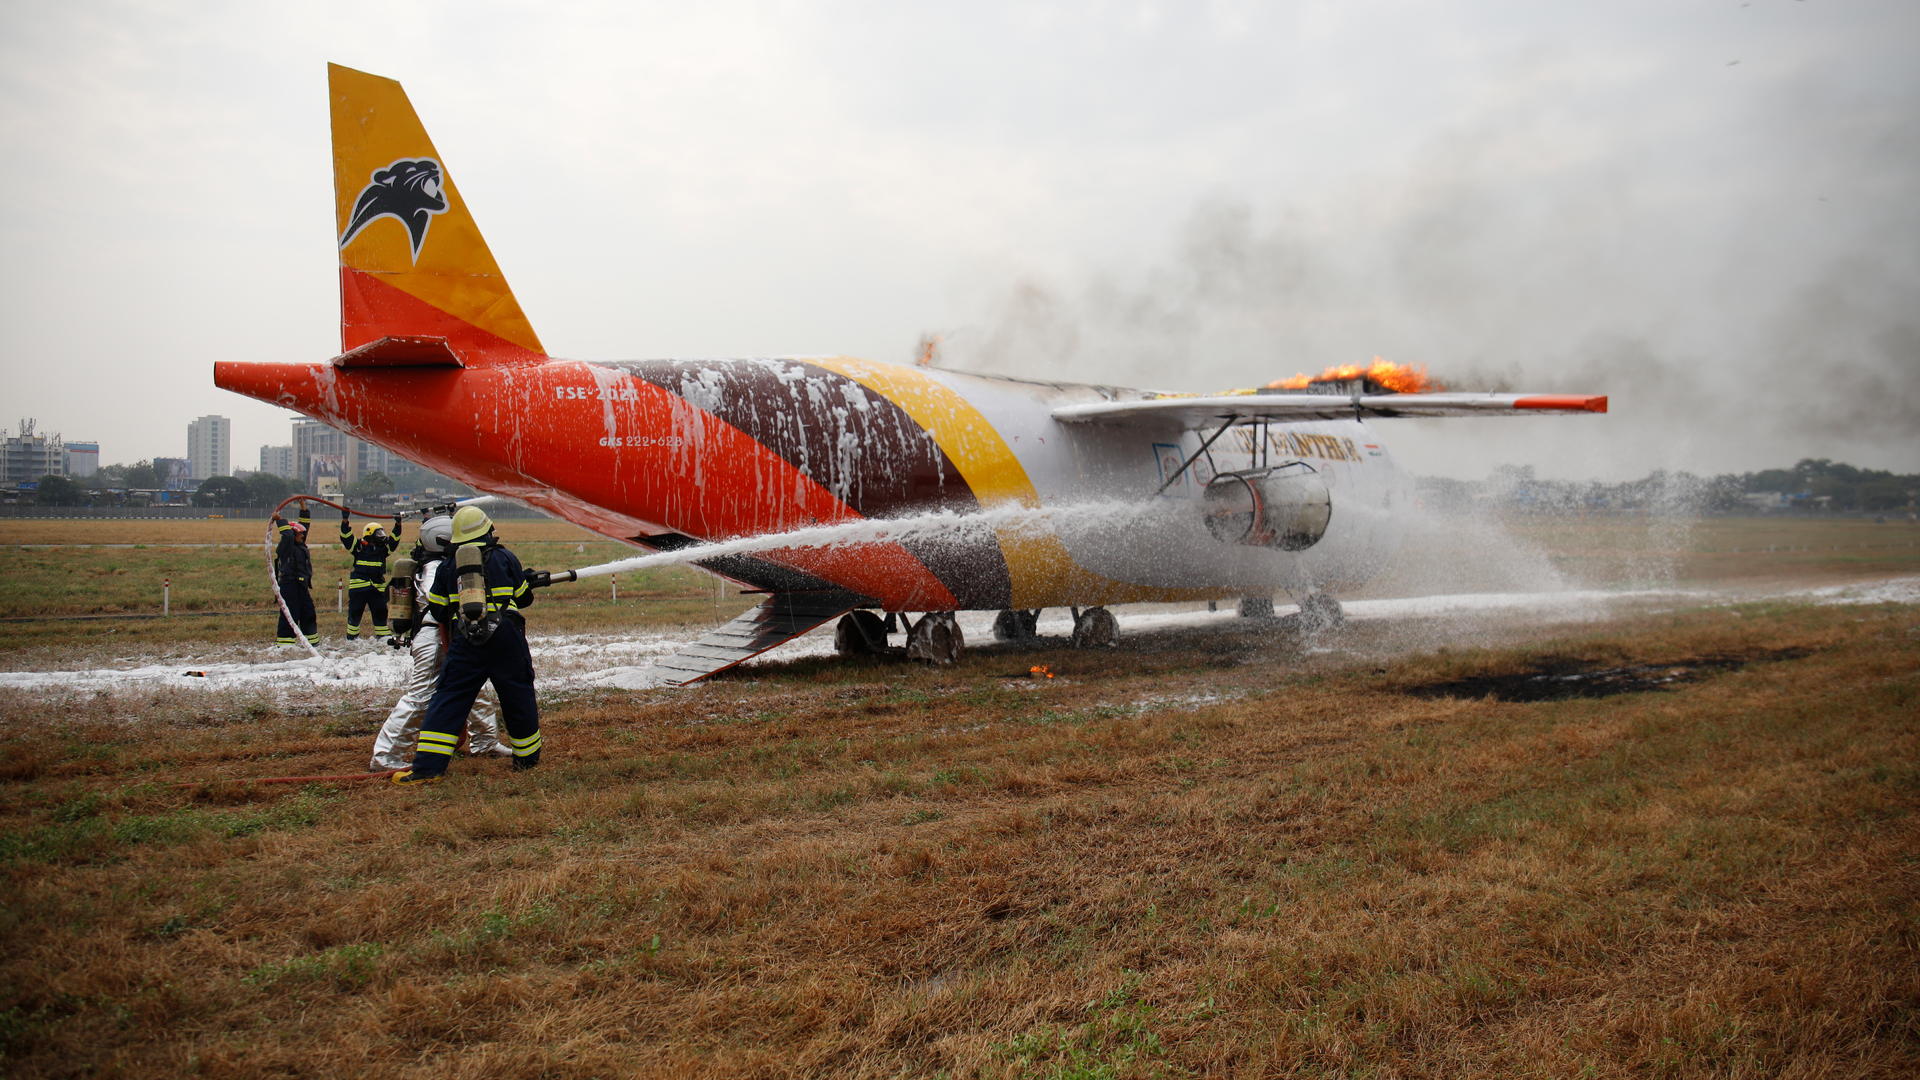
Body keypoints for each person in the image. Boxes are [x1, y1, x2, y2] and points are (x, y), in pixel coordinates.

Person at [392, 506, 542, 784]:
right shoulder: (504, 557)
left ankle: (428, 769)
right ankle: (527, 761)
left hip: (466, 641)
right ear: (487, 531)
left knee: (449, 699)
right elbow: (523, 599)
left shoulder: (448, 566)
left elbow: (437, 611)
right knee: (518, 697)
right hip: (506, 639)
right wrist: (523, 580)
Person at [368, 513, 512, 771]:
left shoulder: (436, 563)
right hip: (435, 637)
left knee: (471, 685)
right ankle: (385, 756)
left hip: (447, 635)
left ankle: (485, 741)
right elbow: (440, 607)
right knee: (421, 696)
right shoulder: (436, 568)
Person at [339, 510, 403, 641]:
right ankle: (352, 639)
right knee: (355, 613)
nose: (381, 536)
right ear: (369, 534)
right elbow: (346, 537)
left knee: (381, 613)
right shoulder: (358, 547)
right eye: (378, 533)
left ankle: (384, 639)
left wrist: (398, 524)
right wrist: (345, 520)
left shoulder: (383, 550)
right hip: (359, 588)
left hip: (377, 589)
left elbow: (394, 541)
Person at [271, 506, 318, 647]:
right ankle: (285, 646)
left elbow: (303, 528)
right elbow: (288, 535)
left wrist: (304, 510)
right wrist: (280, 521)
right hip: (289, 585)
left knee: (308, 612)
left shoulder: (300, 545)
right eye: (300, 535)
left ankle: (312, 644)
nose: (303, 536)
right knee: (290, 614)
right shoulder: (286, 547)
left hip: (302, 586)